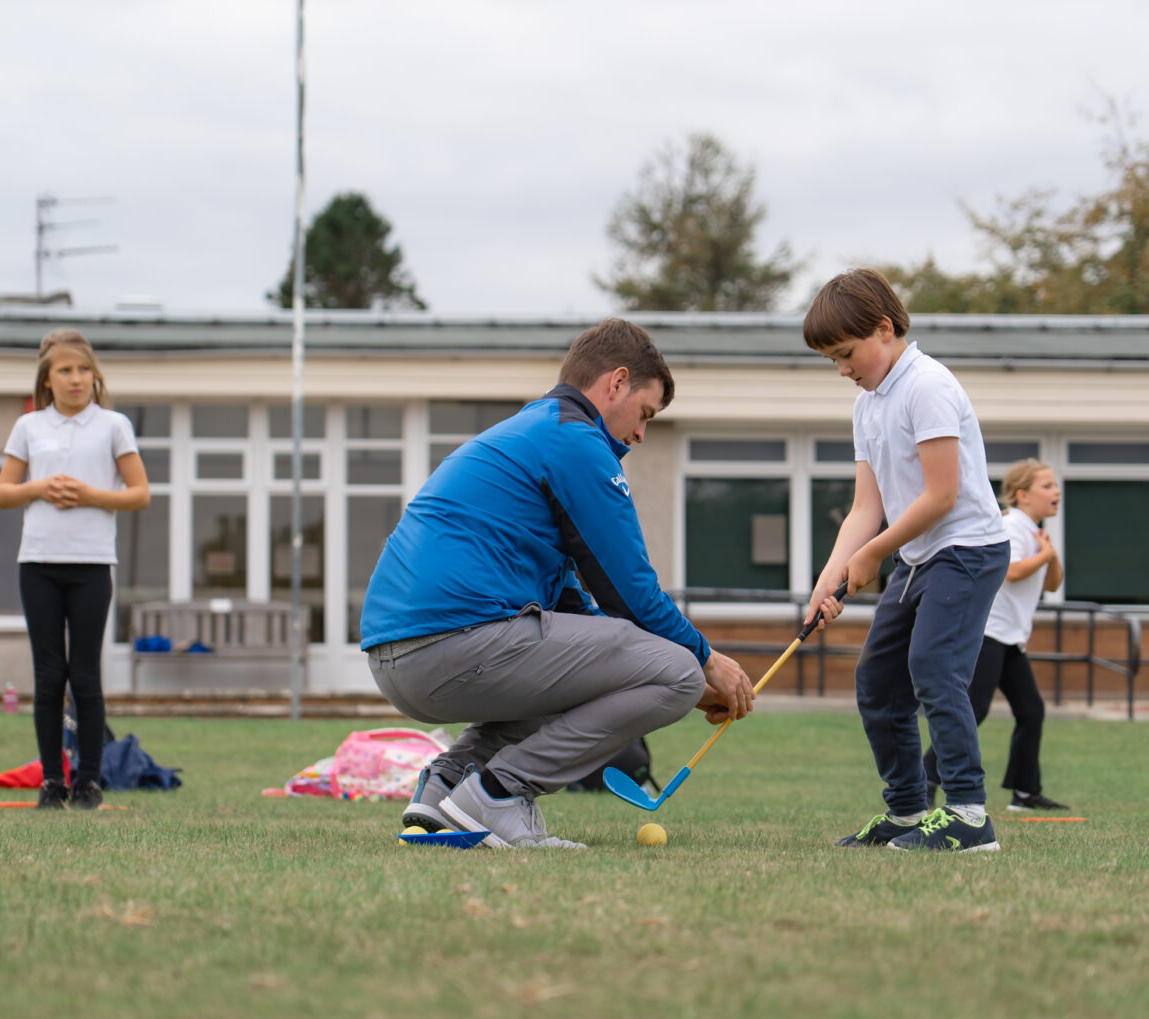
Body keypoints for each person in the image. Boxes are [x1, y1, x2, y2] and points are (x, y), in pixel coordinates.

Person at [361, 318, 755, 849]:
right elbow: (632, 594)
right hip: (452, 647)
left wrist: (661, 680)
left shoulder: (531, 431)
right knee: (679, 670)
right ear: (617, 382)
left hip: (396, 659)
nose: (641, 434)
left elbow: (576, 610)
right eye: (645, 413)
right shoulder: (576, 441)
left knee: (639, 672)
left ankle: (446, 787)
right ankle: (499, 793)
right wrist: (704, 662)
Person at [804, 268, 1008, 853]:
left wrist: (873, 554)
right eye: (832, 360)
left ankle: (968, 816)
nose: (843, 370)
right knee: (877, 681)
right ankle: (908, 811)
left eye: (846, 354)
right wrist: (828, 579)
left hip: (967, 549)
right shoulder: (867, 406)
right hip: (919, 557)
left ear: (885, 329)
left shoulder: (928, 385)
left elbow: (942, 496)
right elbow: (866, 507)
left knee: (934, 668)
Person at [0, 329, 150, 811]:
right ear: (48, 378)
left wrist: (89, 495)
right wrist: (39, 488)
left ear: (95, 376)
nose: (76, 378)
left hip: (92, 565)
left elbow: (140, 493)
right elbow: (4, 492)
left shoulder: (113, 425)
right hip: (38, 564)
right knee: (48, 676)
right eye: (65, 370)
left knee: (84, 675)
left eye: (84, 370)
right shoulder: (28, 426)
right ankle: (51, 782)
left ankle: (88, 783)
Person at [921, 459, 1067, 812]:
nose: (1056, 491)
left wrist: (1049, 555)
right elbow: (1011, 572)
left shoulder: (1032, 531)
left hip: (1010, 637)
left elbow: (1052, 584)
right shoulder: (1013, 526)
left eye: (1055, 485)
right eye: (1047, 486)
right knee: (973, 709)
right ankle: (925, 778)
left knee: (1030, 711)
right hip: (989, 633)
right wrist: (1045, 554)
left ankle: (1025, 793)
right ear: (1022, 495)